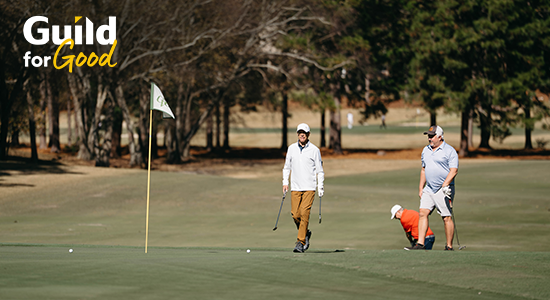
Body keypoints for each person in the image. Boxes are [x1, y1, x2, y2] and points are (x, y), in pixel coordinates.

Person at [405, 125, 458, 251]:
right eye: (428, 136)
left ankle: (449, 246)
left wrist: (445, 184)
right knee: (423, 213)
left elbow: (454, 170)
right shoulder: (426, 150)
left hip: (443, 189)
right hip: (429, 188)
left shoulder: (450, 151)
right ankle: (420, 244)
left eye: (432, 136)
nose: (429, 139)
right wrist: (420, 187)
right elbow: (423, 170)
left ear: (440, 137)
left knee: (446, 217)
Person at [283, 123, 325, 253]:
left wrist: (320, 186)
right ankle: (306, 232)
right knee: (295, 214)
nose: (302, 134)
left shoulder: (314, 150)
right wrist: (285, 182)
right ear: (297, 134)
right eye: (300, 132)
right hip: (295, 186)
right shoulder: (291, 149)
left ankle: (300, 242)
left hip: (309, 187)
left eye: (304, 133)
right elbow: (287, 167)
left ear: (308, 134)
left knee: (304, 213)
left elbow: (320, 170)